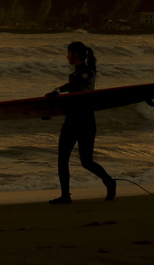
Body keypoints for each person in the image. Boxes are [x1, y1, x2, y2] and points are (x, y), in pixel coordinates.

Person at [45, 41, 116, 204]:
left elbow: (74, 86)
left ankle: (109, 181)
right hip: (71, 120)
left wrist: (57, 90)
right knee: (62, 159)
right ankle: (65, 196)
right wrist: (49, 111)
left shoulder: (87, 72)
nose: (67, 56)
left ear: (75, 54)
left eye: (68, 53)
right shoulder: (75, 74)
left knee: (86, 161)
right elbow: (71, 99)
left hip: (85, 121)